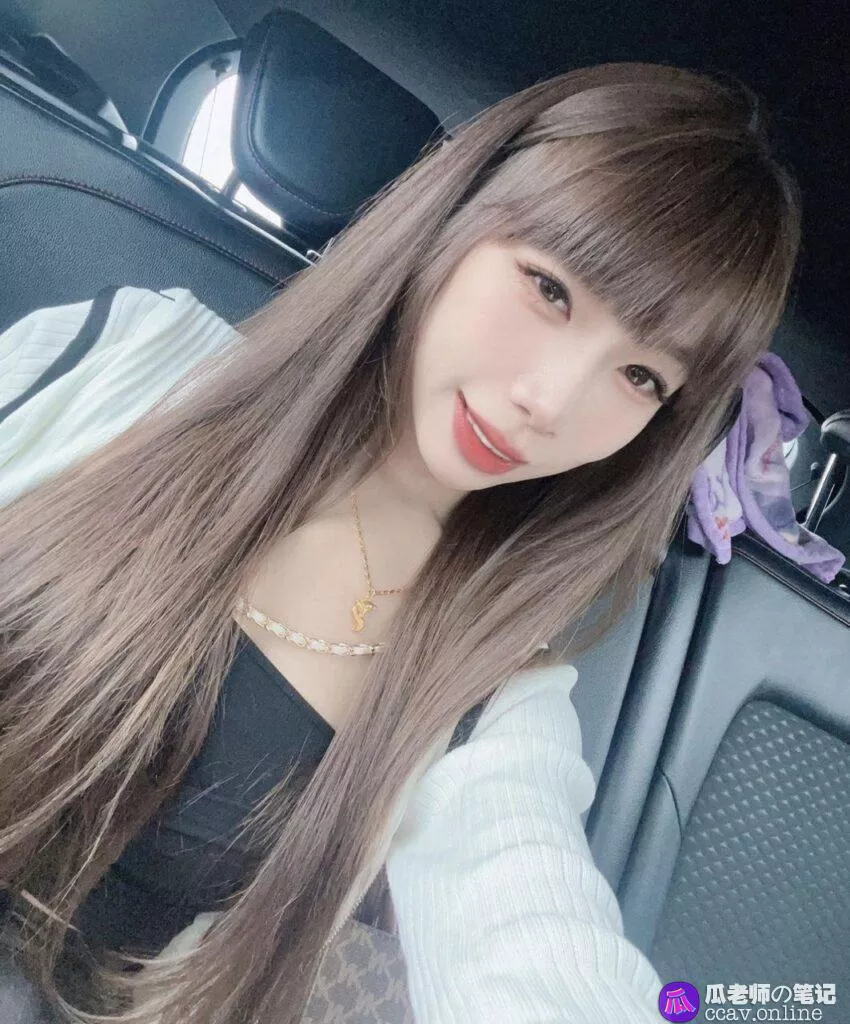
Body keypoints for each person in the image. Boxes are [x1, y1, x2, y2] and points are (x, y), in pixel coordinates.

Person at [0, 61, 800, 1024]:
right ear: (455, 217)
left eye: (640, 377)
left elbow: (533, 934)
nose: (549, 402)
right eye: (550, 289)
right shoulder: (126, 353)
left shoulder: (492, 697)